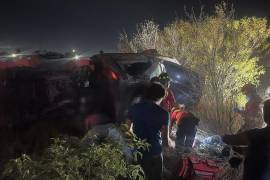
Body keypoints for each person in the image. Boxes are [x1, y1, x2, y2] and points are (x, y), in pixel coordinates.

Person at [127, 83, 172, 180]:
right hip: (154, 154)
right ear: (160, 97)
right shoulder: (164, 114)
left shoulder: (134, 107)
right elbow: (165, 140)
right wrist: (169, 145)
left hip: (137, 153)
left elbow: (126, 129)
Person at [222, 99, 270, 180]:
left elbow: (230, 140)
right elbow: (260, 151)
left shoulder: (256, 134)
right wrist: (240, 150)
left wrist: (222, 136)